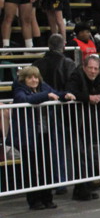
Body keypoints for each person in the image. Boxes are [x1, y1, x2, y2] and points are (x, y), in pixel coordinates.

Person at [12, 65, 76, 209]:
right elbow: (23, 99)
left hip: (45, 134)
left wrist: (65, 96)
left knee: (47, 167)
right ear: (24, 79)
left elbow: (56, 93)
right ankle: (34, 201)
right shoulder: (19, 89)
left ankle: (47, 198)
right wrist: (45, 96)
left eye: (36, 77)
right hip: (28, 136)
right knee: (31, 169)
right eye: (30, 77)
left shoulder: (43, 86)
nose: (34, 80)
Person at [67, 54, 100, 201]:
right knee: (81, 155)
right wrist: (88, 98)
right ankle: (81, 189)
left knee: (90, 154)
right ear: (84, 67)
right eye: (90, 68)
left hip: (94, 122)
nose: (93, 71)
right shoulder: (76, 76)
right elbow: (71, 92)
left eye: (96, 68)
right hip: (77, 122)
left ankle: (87, 185)